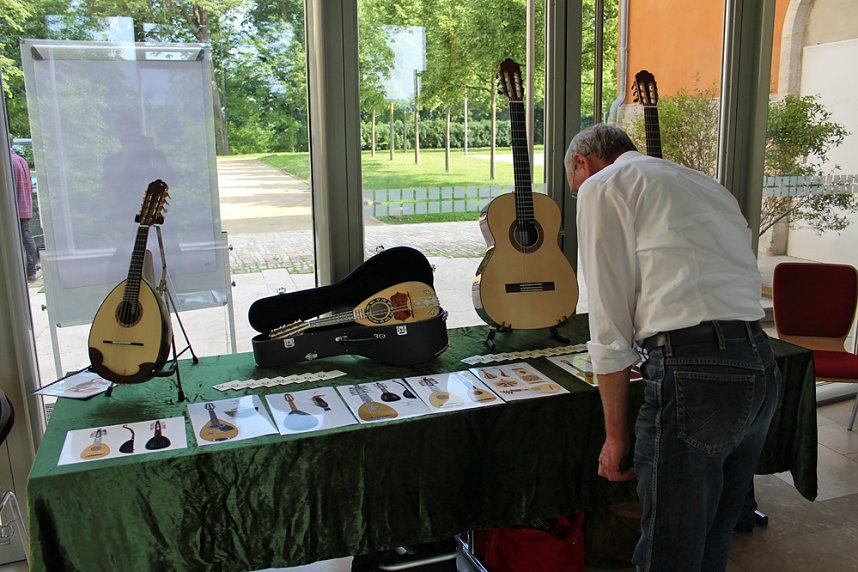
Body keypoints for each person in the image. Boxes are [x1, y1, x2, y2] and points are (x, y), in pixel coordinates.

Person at [564, 124, 780, 571]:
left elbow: (608, 324)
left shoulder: (602, 186)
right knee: (715, 532)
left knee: (670, 548)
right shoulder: (701, 182)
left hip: (696, 374)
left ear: (582, 163)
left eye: (573, 185)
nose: (576, 193)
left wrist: (615, 435)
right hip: (760, 361)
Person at [9, 137, 38, 282]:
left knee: (17, 240)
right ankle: (31, 270)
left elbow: (10, 189)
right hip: (24, 207)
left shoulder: (8, 163)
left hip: (15, 209)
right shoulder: (21, 160)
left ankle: (25, 271)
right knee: (27, 238)